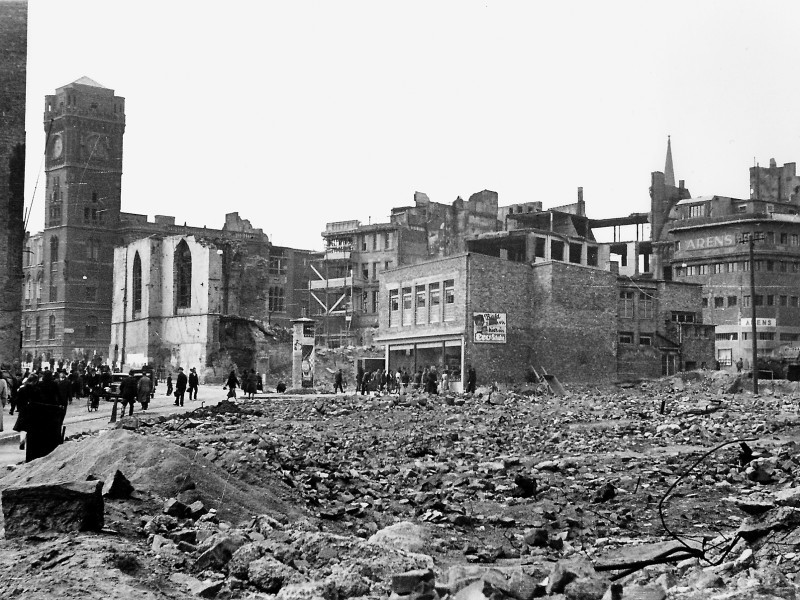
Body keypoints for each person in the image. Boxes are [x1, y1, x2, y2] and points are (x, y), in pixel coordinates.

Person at [24, 371, 66, 462]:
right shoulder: (54, 384)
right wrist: (61, 405)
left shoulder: (39, 384)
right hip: (51, 409)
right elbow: (59, 396)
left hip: (40, 409)